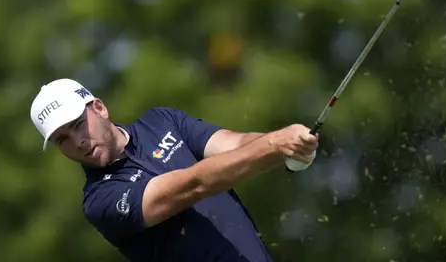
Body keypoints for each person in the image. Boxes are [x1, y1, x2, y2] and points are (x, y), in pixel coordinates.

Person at [29, 78, 319, 262]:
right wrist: (273, 145)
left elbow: (237, 144)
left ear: (100, 108)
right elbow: (192, 185)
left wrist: (290, 145)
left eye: (78, 125)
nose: (77, 142)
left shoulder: (162, 121)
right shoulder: (100, 200)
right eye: (62, 140)